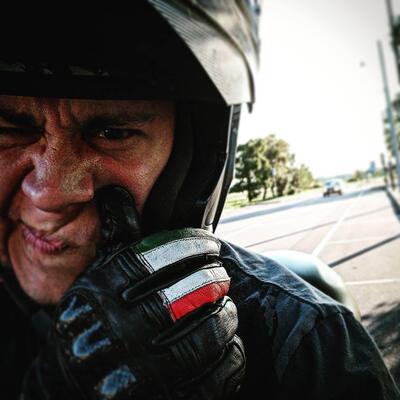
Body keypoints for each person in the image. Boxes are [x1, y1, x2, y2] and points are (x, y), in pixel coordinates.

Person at [0, 2, 399, 399]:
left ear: (191, 164)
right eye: (10, 128)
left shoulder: (308, 345)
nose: (48, 193)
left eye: (112, 133)